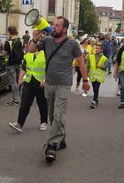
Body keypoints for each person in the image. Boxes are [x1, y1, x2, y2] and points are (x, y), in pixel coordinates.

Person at [27, 16, 90, 163]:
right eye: (53, 24)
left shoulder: (73, 44)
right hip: (49, 83)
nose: (53, 27)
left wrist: (85, 81)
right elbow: (30, 50)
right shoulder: (47, 41)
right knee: (52, 115)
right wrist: (35, 39)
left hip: (64, 84)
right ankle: (61, 139)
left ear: (64, 29)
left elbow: (81, 64)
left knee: (59, 113)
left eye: (57, 25)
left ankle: (51, 145)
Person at [8, 43, 48, 132]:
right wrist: (20, 79)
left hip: (41, 83)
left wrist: (45, 79)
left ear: (37, 47)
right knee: (24, 104)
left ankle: (44, 122)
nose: (29, 47)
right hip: (29, 81)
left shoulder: (45, 54)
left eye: (31, 46)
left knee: (42, 104)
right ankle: (19, 124)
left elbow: (49, 69)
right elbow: (24, 68)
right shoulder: (28, 55)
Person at [3, 26, 23, 106]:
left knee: (13, 82)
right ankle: (21, 98)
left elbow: (4, 53)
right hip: (18, 63)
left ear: (9, 32)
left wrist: (2, 46)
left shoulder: (8, 42)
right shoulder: (19, 40)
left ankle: (16, 100)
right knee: (19, 80)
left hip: (10, 64)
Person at [86, 42, 107, 108]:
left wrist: (100, 66)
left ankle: (94, 101)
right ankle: (96, 98)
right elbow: (88, 65)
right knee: (94, 88)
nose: (97, 49)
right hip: (92, 75)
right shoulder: (91, 57)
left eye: (98, 48)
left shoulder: (104, 58)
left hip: (99, 76)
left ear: (101, 50)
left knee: (96, 87)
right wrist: (86, 73)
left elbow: (105, 66)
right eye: (96, 48)